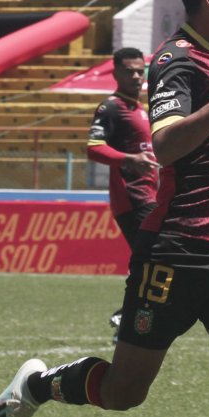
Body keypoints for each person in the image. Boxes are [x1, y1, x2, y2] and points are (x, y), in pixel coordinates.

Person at [0, 0, 209, 417]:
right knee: (123, 393)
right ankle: (36, 385)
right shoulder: (177, 61)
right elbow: (166, 146)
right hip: (178, 248)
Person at [86, 47, 159, 342]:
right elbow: (93, 147)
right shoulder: (112, 107)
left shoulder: (142, 109)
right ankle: (128, 319)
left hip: (153, 197)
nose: (135, 76)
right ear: (115, 72)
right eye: (128, 70)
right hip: (132, 198)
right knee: (152, 260)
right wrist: (129, 159)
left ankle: (133, 319)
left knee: (156, 261)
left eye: (140, 70)